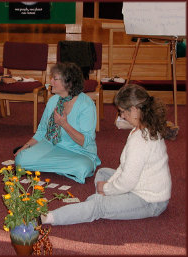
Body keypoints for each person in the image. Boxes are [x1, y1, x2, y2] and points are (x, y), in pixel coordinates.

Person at [41, 84, 172, 225]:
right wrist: (108, 187)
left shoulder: (140, 141)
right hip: (139, 184)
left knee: (98, 205)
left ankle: (48, 217)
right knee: (103, 173)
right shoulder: (145, 126)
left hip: (150, 201)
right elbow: (125, 170)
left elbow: (127, 181)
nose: (121, 116)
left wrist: (106, 189)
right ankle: (101, 203)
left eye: (122, 112)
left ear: (134, 110)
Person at [14, 62, 101, 184]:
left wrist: (64, 124)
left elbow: (85, 141)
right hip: (51, 145)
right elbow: (42, 131)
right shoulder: (53, 101)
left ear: (68, 83)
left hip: (78, 151)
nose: (50, 82)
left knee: (83, 168)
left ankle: (52, 166)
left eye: (55, 79)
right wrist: (26, 146)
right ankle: (61, 168)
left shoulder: (86, 105)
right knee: (20, 160)